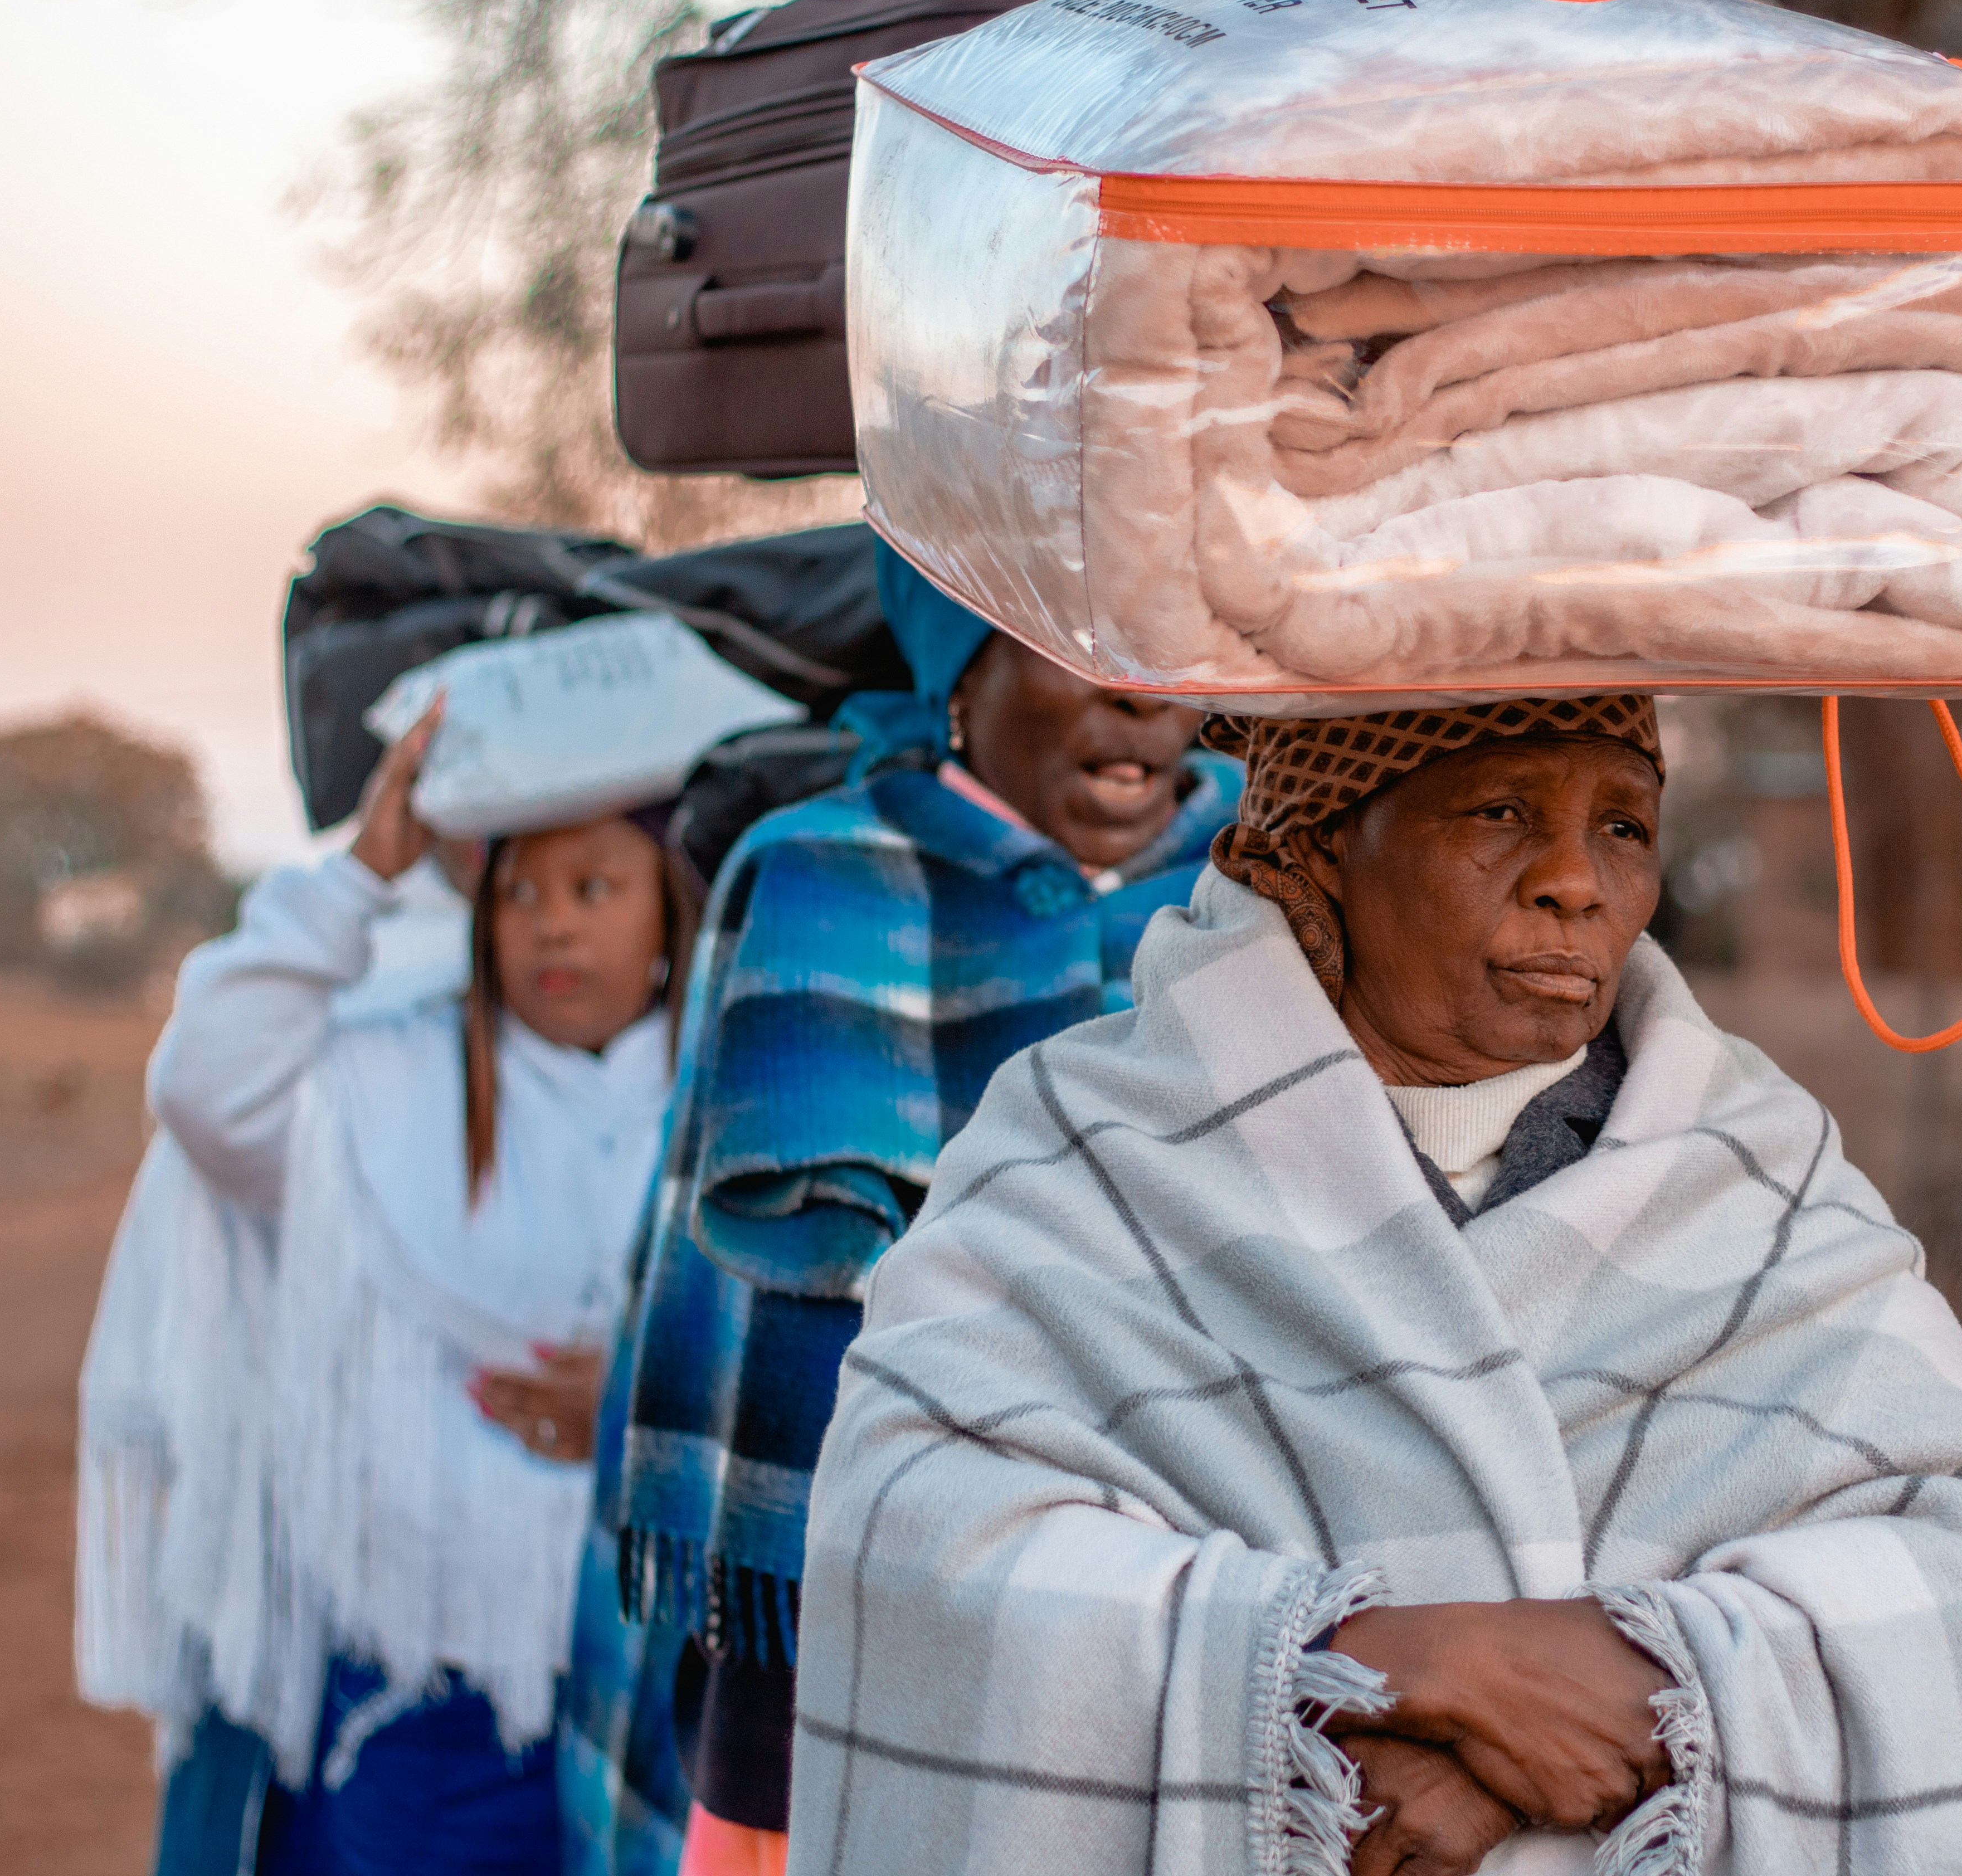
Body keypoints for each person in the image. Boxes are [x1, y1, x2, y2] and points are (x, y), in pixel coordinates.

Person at [790, 697, 1962, 1876]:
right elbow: (921, 1542)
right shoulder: (1085, 1152)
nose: (1576, 884)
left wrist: (1647, 1686)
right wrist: (1383, 1667)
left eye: (1626, 828)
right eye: (1503, 813)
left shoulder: (1759, 1172)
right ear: (1316, 846)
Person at [563, 544, 1244, 1876]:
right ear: (958, 674)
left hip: (1195, 1588)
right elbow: (741, 1291)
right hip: (833, 1586)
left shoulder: (1256, 884)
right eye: (1078, 650)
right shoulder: (823, 873)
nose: (1140, 698)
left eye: (1166, 649)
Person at [146, 703, 698, 1876]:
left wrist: (640, 1400)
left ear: (669, 909)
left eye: (594, 887)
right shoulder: (387, 1079)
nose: (551, 921)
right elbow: (207, 1093)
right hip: (425, 1701)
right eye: (518, 892)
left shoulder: (729, 1102)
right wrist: (362, 874)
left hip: (653, 1703)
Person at [80, 835, 477, 1876]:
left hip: (472, 1609)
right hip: (284, 1566)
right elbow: (208, 1091)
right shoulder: (333, 998)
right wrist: (357, 878)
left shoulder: (576, 1026)